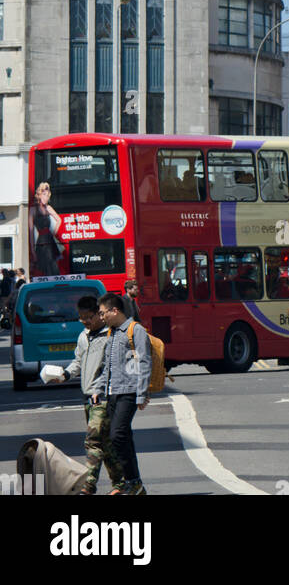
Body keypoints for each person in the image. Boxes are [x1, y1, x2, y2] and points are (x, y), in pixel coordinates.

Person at [51, 295, 124, 495]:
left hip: (103, 397)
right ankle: (121, 483)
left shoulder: (111, 335)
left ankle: (88, 485)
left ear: (100, 315)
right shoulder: (83, 336)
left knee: (92, 441)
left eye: (88, 317)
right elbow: (78, 361)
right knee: (104, 443)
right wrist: (64, 374)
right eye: (81, 317)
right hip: (87, 397)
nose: (84, 321)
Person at [92, 293, 151, 497]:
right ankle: (135, 484)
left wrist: (142, 393)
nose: (101, 317)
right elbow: (107, 366)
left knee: (117, 435)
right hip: (112, 392)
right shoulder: (112, 333)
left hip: (129, 392)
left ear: (114, 310)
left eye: (102, 313)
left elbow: (144, 362)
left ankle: (132, 481)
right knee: (123, 438)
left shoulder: (136, 330)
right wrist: (99, 388)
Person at [29, 182, 63, 277]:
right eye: (44, 194)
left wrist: (53, 233)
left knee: (54, 267)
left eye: (48, 195)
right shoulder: (33, 210)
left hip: (50, 240)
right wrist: (32, 250)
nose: (46, 197)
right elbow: (31, 231)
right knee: (45, 267)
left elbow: (59, 220)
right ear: (39, 195)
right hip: (41, 243)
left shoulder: (48, 207)